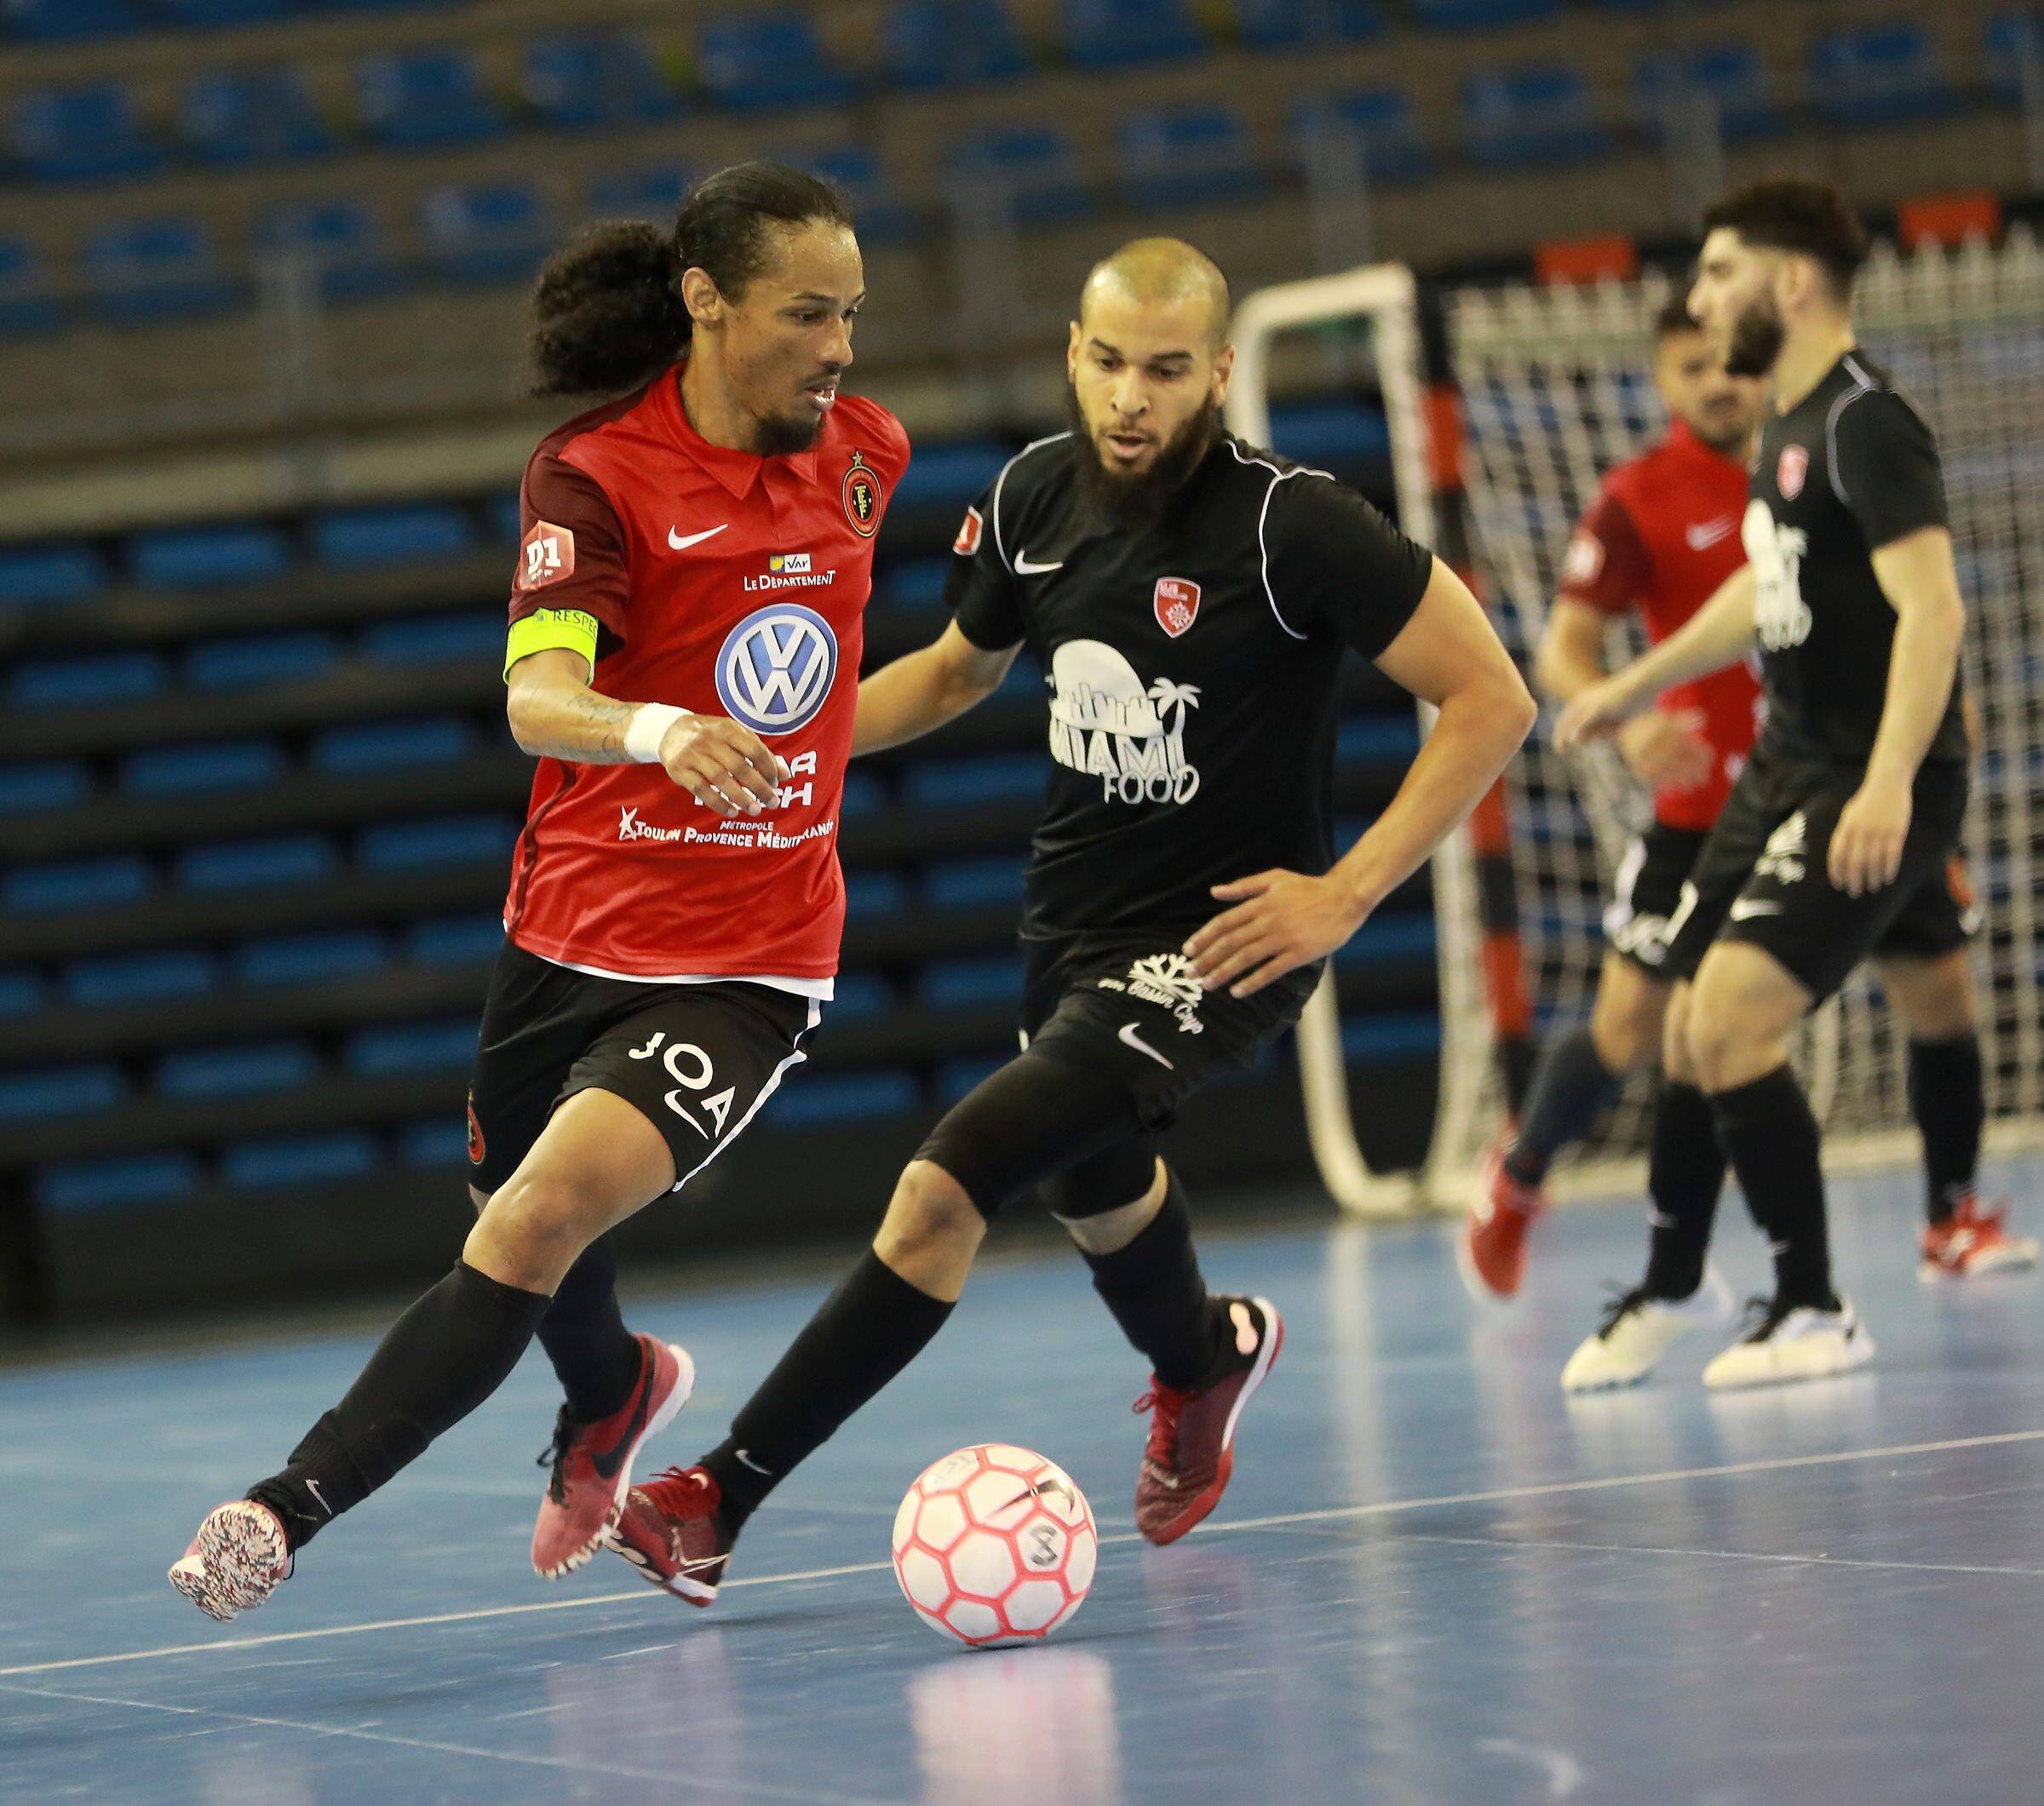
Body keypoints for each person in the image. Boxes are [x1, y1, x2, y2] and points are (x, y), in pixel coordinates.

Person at [605, 237, 1536, 1607]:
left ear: (1219, 372)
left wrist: (1346, 895)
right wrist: (769, 753)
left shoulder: (1295, 526)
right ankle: (1206, 1358)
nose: (1132, 398)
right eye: (1108, 363)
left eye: (1167, 370)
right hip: (1075, 928)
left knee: (949, 1180)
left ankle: (717, 1497)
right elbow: (952, 675)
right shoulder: (1034, 494)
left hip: (1226, 940)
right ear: (1073, 354)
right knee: (1095, 1188)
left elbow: (1493, 699)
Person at [169, 162, 910, 1620]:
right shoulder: (595, 475)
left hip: (749, 957)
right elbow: (539, 694)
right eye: (808, 313)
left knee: (525, 1226)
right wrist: (661, 730)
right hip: (567, 931)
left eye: (853, 313)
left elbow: (845, 680)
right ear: (705, 303)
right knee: (530, 1225)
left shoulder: (867, 451)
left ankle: (283, 1507)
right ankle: (619, 1390)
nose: (841, 347)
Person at [1559, 178, 2033, 1393]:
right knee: (1679, 1018)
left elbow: (1934, 611)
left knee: (1731, 1021)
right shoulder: (1787, 418)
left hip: (1866, 777)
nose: (1704, 299)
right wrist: (1630, 684)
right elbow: (1763, 596)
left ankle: (1815, 1305)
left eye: (1722, 273)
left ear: (1794, 282)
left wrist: (1886, 786)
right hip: (1784, 762)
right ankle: (1673, 1285)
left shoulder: (1868, 422)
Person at [1458, 296, 1766, 1314]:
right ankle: (1521, 1175)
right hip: (1695, 818)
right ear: (1663, 380)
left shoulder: (1816, 473)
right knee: (1631, 1027)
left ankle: (1729, 1256)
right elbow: (1562, 642)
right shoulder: (1643, 496)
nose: (1720, 381)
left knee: (1731, 1030)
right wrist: (1629, 724)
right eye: (1694, 366)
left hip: (1813, 799)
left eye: (1733, 361)